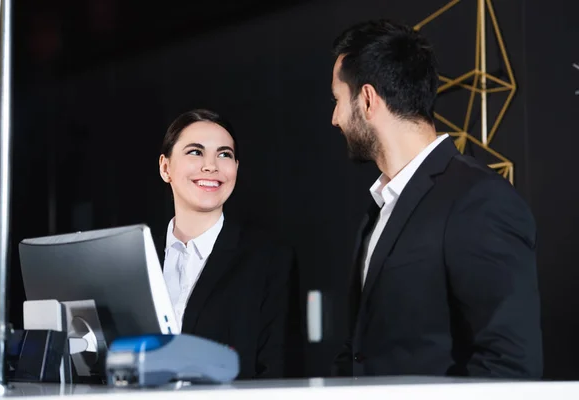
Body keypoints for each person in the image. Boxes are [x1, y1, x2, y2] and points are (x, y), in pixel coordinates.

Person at [330, 19, 542, 378]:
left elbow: (509, 366)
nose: (335, 119)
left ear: (367, 100)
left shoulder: (479, 199)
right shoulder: (380, 207)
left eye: (337, 100)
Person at [157, 109, 301, 379]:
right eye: (195, 152)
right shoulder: (139, 257)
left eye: (224, 154)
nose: (211, 166)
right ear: (166, 168)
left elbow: (278, 371)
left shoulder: (268, 259)